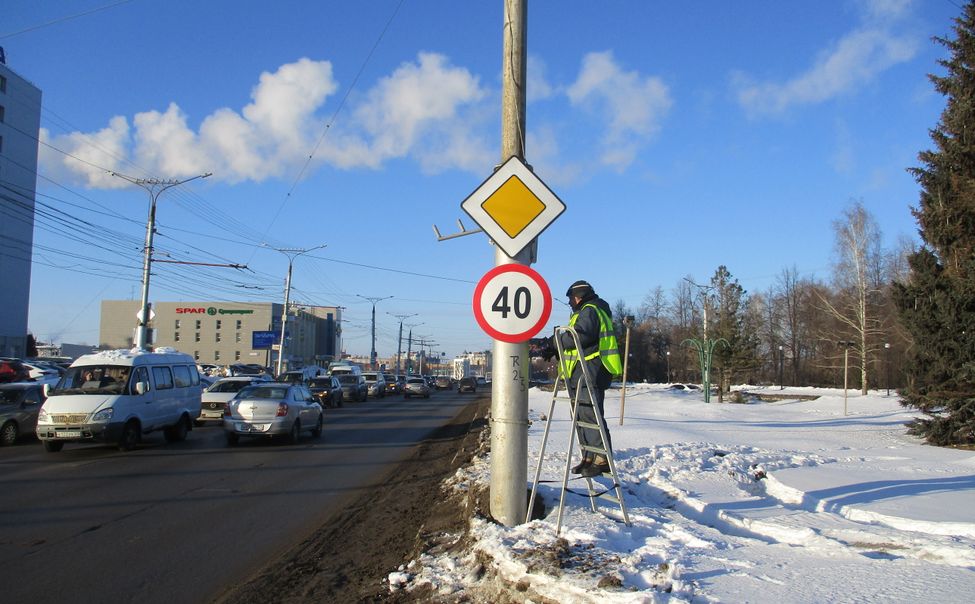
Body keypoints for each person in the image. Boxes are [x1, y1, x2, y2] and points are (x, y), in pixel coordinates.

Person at [545, 280, 622, 478]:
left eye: (571, 297)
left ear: (579, 295)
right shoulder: (584, 312)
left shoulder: (591, 310)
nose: (570, 301)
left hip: (591, 370)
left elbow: (579, 337)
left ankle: (601, 459)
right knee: (580, 415)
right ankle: (588, 457)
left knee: (590, 413)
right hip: (581, 372)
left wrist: (554, 341)